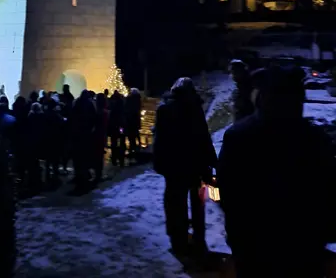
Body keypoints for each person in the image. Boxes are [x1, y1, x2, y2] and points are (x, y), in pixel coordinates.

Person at [218, 65, 336, 278]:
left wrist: (237, 235)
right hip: (304, 244)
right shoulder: (315, 139)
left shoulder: (239, 137)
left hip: (254, 244)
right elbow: (328, 192)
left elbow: (230, 194)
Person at [153, 77, 217, 259]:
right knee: (198, 204)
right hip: (196, 165)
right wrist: (212, 161)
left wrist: (159, 163)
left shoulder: (165, 109)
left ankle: (178, 240)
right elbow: (204, 136)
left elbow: (160, 140)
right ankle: (199, 240)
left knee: (175, 204)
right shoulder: (195, 107)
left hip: (174, 166)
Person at [71, 90, 96, 191]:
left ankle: (79, 176)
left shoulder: (77, 104)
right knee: (85, 156)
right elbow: (93, 118)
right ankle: (85, 175)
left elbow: (72, 117)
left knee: (78, 157)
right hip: (86, 134)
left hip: (78, 134)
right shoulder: (90, 104)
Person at [93, 93, 110, 183]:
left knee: (97, 155)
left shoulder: (96, 112)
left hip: (96, 135)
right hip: (101, 135)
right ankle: (98, 174)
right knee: (99, 156)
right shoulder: (105, 112)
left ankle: (97, 174)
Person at [108, 90, 126, 167]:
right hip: (120, 126)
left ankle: (114, 158)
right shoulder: (121, 104)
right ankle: (121, 158)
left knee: (114, 142)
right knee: (121, 140)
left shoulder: (112, 105)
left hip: (114, 126)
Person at [125, 88, 142, 160]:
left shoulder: (129, 99)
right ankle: (136, 146)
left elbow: (127, 108)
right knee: (135, 133)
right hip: (136, 119)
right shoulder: (138, 99)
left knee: (131, 135)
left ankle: (132, 149)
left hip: (130, 120)